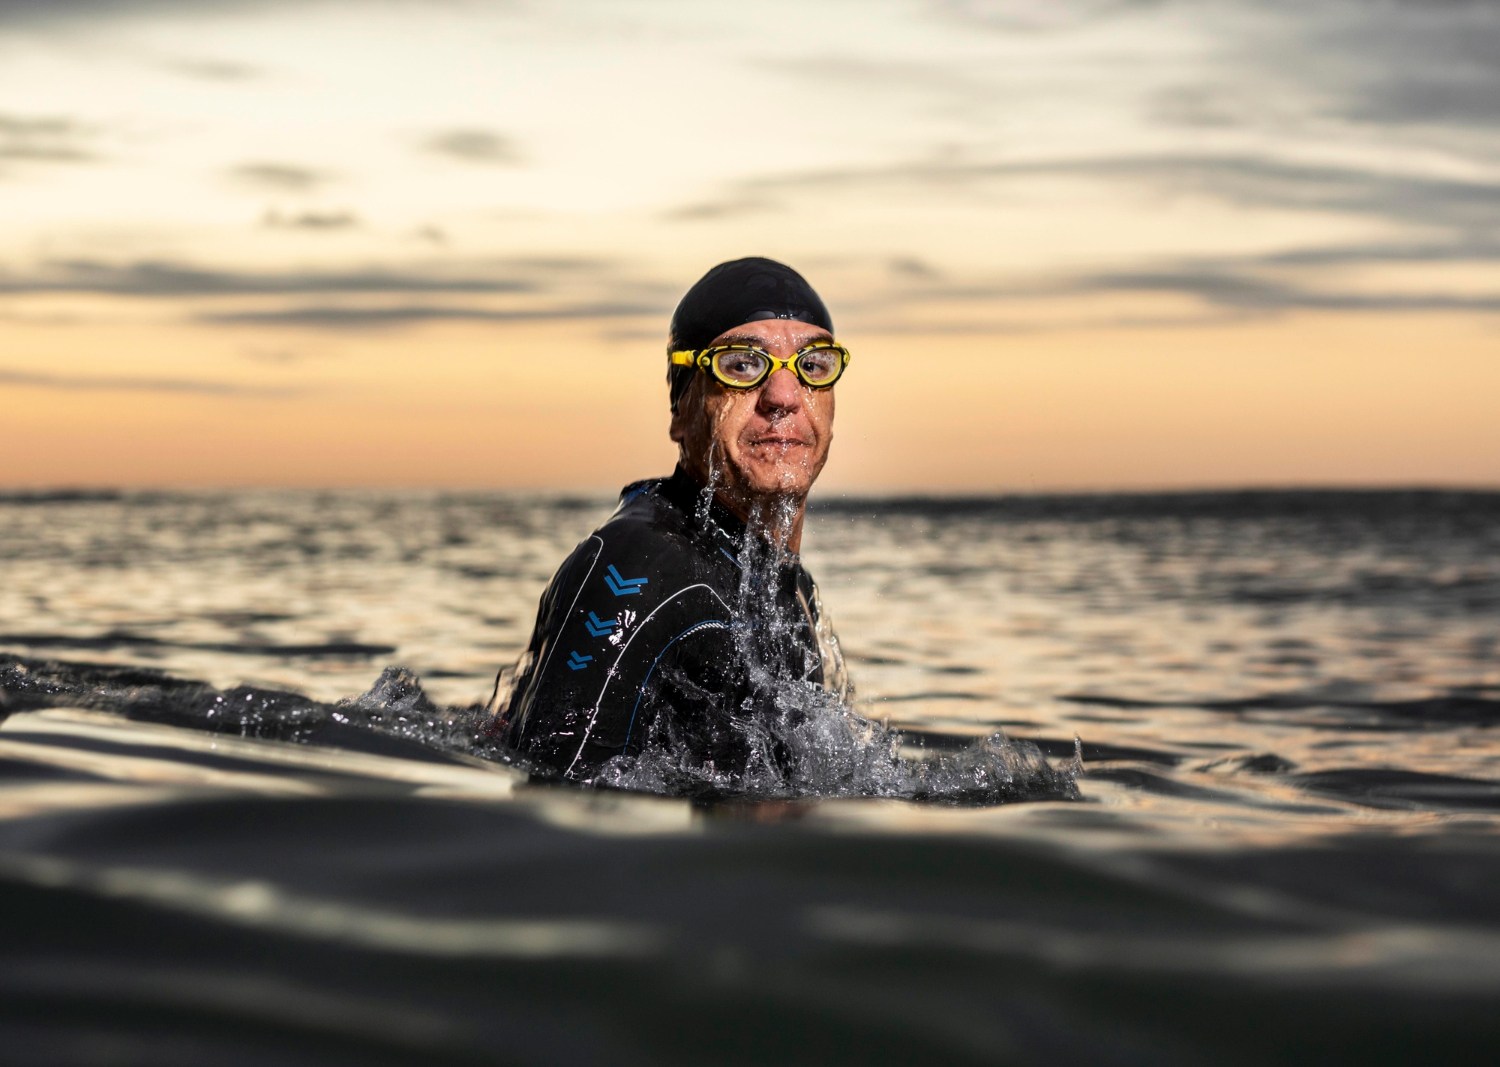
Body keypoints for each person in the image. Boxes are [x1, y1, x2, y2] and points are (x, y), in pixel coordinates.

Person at [487, 257, 852, 784]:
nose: (784, 396)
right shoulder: (636, 566)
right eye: (742, 365)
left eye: (813, 365)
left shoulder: (789, 588)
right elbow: (554, 801)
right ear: (682, 408)